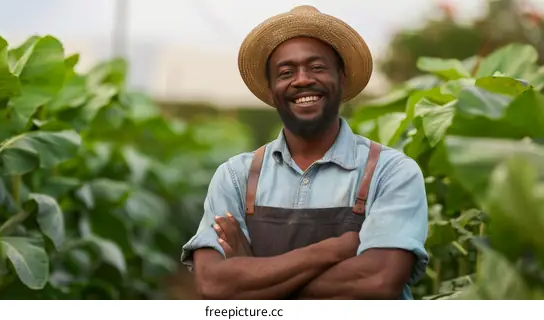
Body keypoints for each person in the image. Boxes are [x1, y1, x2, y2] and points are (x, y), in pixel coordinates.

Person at [180, 5, 429, 300]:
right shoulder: (235, 177)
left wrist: (253, 277)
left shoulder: (390, 171)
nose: (301, 79)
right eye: (286, 72)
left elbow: (379, 280)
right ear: (272, 90)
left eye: (317, 67)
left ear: (343, 78)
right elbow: (213, 285)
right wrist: (335, 249)